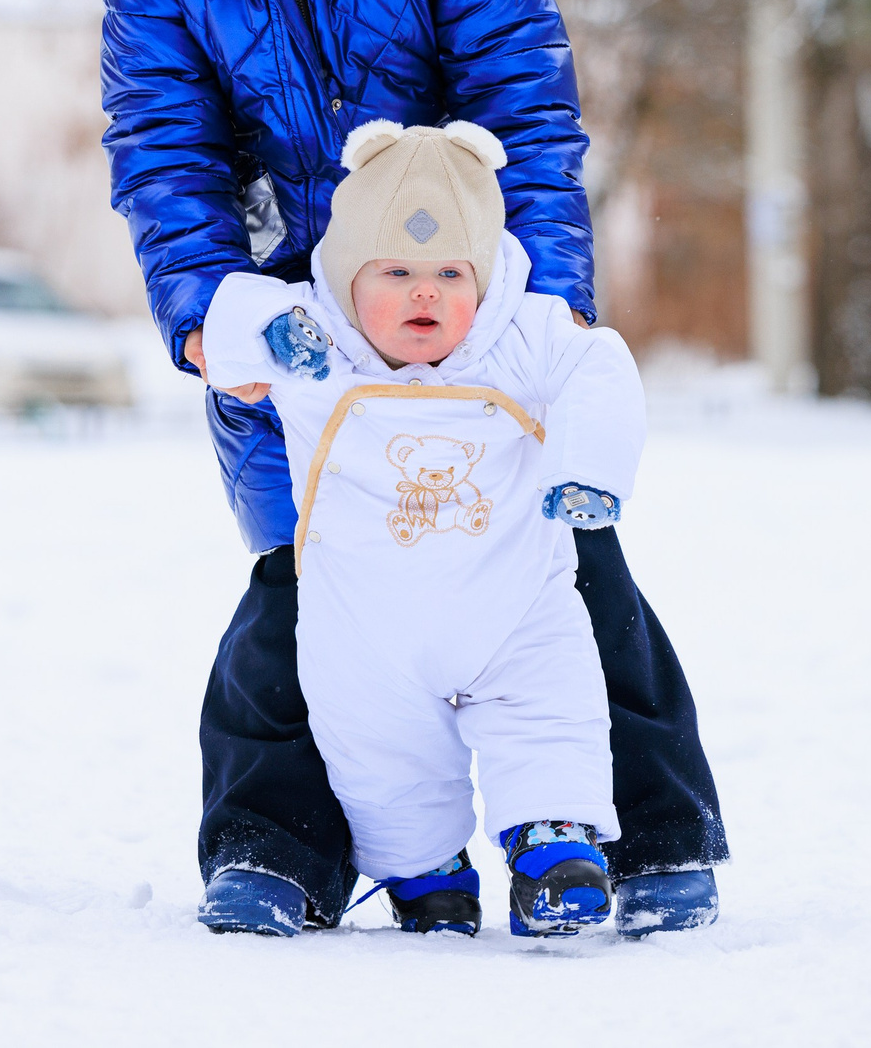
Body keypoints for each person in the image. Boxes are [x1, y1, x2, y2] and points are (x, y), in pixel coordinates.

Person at [31, 0, 727, 937]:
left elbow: (524, 88)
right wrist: (204, 312)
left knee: (567, 560)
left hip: (467, 288)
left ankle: (647, 827)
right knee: (297, 579)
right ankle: (282, 839)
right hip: (303, 325)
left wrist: (546, 296)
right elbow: (166, 152)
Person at [201, 120, 642, 937]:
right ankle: (425, 873)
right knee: (380, 758)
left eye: (449, 272)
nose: (425, 293)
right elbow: (226, 319)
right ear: (344, 275)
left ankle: (555, 853)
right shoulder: (312, 342)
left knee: (549, 714)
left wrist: (588, 468)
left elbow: (600, 366)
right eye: (395, 272)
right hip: (367, 630)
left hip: (514, 615)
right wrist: (264, 335)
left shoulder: (523, 338)